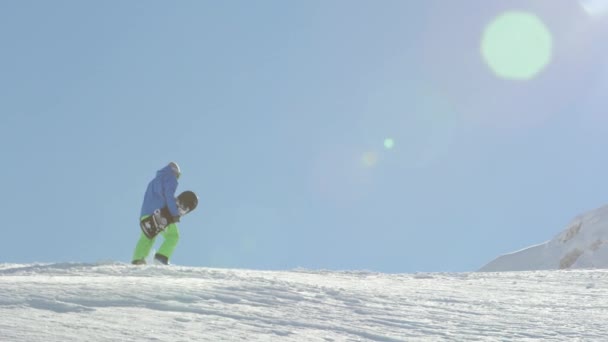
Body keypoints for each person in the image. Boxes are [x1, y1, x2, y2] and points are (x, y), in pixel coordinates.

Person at [132, 162, 182, 265]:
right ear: (175, 172)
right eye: (177, 175)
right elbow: (169, 195)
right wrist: (175, 213)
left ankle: (138, 259)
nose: (177, 178)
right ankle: (161, 257)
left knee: (148, 236)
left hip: (145, 215)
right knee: (173, 236)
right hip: (159, 215)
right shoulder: (170, 178)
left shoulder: (153, 182)